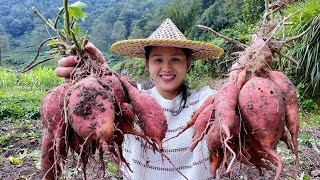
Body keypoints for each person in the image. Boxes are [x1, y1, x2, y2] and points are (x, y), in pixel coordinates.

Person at [55, 18, 271, 180]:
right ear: (147, 64)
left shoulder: (209, 101)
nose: (166, 68)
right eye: (158, 59)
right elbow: (109, 96)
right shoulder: (129, 101)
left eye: (175, 59)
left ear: (188, 63)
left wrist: (251, 66)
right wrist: (97, 73)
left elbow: (238, 103)